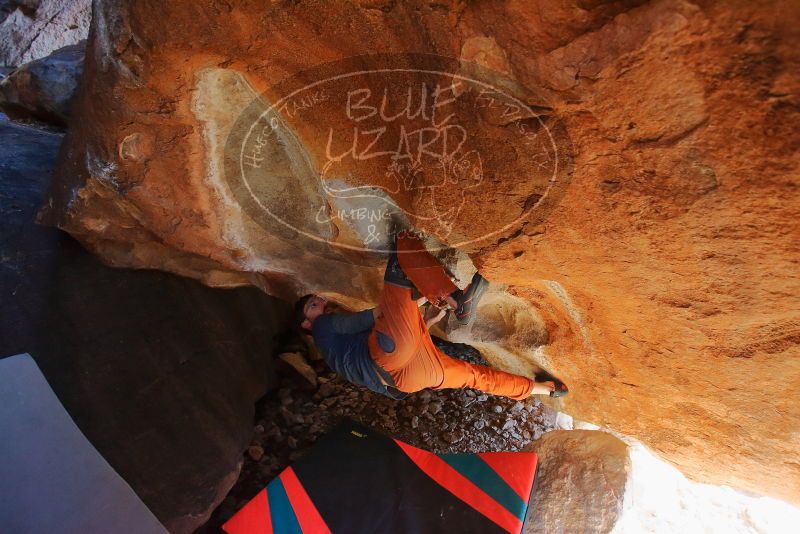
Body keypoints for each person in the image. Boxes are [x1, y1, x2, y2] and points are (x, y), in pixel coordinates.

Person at [295, 231, 565, 400]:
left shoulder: (336, 355)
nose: (317, 301)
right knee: (402, 249)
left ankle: (548, 390)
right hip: (391, 354)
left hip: (410, 380)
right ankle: (455, 298)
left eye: (315, 299)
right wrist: (407, 305)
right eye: (311, 306)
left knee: (477, 378)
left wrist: (427, 322)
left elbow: (396, 335)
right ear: (307, 323)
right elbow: (371, 317)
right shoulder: (322, 328)